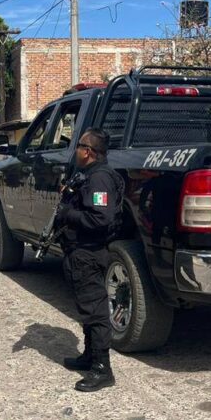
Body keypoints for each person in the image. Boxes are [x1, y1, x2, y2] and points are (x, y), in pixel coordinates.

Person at [57, 128, 124, 392]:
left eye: (79, 146)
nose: (75, 151)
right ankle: (89, 356)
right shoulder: (89, 177)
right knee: (86, 307)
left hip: (90, 252)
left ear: (89, 151)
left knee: (95, 311)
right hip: (80, 251)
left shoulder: (100, 180)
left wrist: (68, 214)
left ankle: (102, 369)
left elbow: (100, 218)